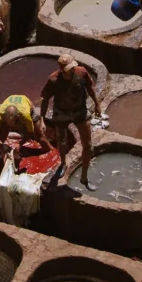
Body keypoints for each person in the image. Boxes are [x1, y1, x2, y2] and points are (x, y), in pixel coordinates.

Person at [40, 54, 101, 190]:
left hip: (80, 110)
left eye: (73, 67)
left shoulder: (82, 73)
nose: (72, 70)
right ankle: (63, 163)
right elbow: (45, 99)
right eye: (69, 69)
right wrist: (42, 119)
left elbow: (90, 89)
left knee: (88, 144)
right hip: (61, 112)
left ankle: (84, 177)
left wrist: (97, 104)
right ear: (62, 70)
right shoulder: (53, 80)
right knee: (61, 140)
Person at [0, 93, 52, 168]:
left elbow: (30, 133)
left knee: (39, 136)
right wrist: (3, 150)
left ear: (18, 117)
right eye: (9, 124)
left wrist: (20, 144)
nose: (12, 127)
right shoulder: (0, 114)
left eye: (13, 124)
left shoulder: (25, 115)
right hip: (13, 109)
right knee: (2, 135)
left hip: (26, 106)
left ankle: (50, 150)